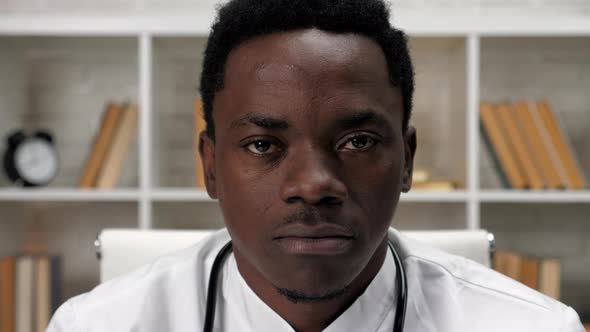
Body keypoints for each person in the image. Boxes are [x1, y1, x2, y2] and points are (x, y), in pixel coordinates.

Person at [47, 0, 585, 331]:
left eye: (357, 140)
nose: (313, 185)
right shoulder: (99, 326)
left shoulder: (530, 328)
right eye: (263, 145)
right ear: (210, 167)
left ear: (407, 161)